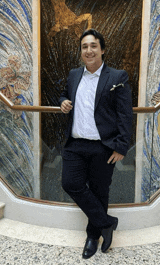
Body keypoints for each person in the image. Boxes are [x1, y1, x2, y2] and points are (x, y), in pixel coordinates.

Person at [59, 29, 133, 259]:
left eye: (93, 46)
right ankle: (107, 223)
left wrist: (121, 146)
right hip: (75, 144)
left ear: (102, 49)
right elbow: (62, 93)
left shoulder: (117, 76)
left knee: (100, 191)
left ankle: (93, 236)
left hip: (103, 146)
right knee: (70, 183)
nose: (88, 50)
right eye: (84, 46)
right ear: (80, 51)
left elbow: (125, 114)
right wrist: (62, 101)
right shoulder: (73, 75)